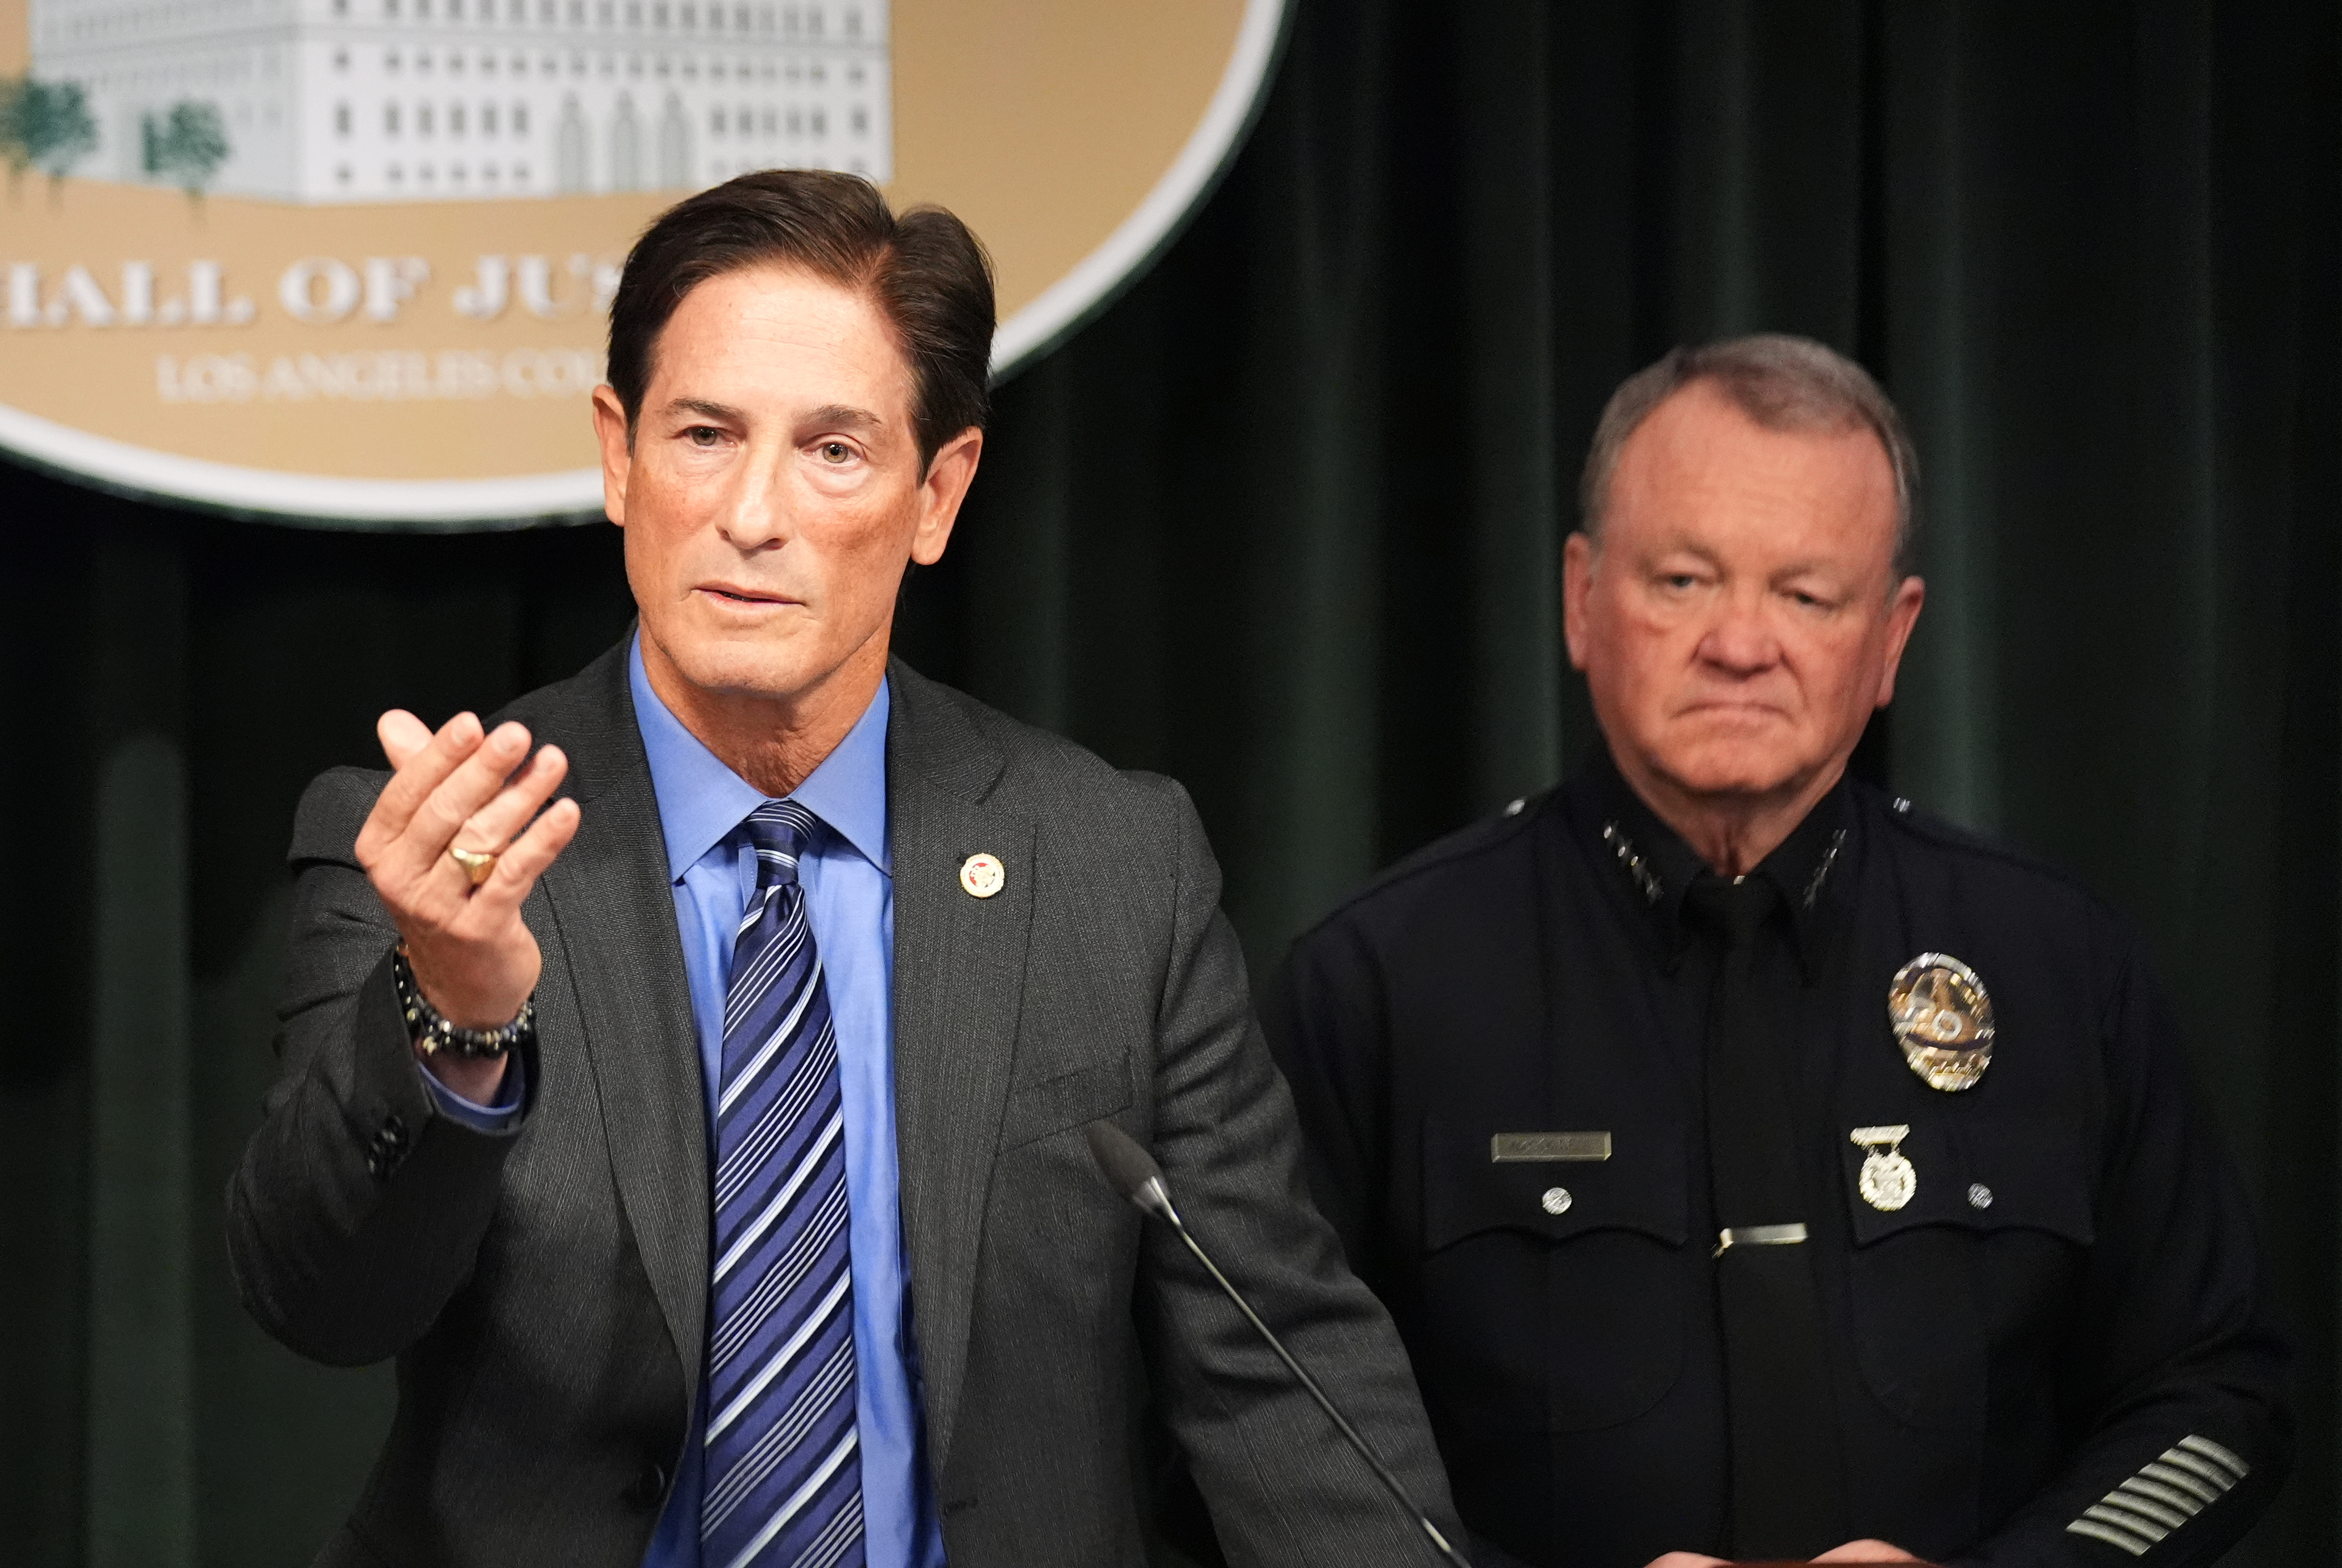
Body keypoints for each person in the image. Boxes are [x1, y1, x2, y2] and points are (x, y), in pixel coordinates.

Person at [228, 170, 1460, 1568]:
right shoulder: (440, 836)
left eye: (832, 451)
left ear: (937, 493)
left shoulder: (1109, 861)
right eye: (704, 434)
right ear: (618, 455)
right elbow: (318, 1301)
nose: (753, 513)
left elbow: (1272, 1363)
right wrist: (453, 1009)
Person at [1259, 335, 2293, 1568]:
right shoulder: (1379, 984)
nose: (1741, 644)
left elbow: (2216, 1390)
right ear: (1581, 600)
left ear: (1894, 637)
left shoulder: (2060, 968)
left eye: (1806, 595)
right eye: (1685, 581)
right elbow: (1254, 1431)